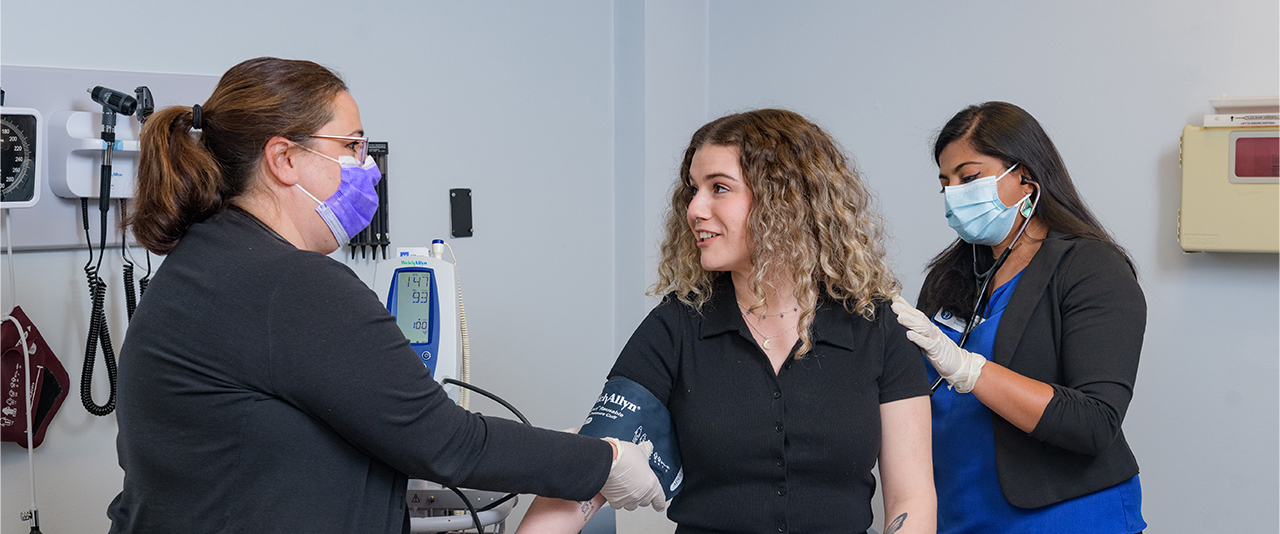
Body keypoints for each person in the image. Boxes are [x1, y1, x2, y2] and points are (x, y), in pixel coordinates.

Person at [107, 57, 664, 534]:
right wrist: (604, 460)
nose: (366, 167)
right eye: (350, 146)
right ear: (284, 159)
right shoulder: (289, 283)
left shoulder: (201, 263)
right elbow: (446, 443)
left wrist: (559, 454)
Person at [518, 109, 936, 534]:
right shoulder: (677, 324)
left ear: (787, 199)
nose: (695, 209)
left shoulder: (875, 325)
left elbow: (911, 499)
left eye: (719, 188)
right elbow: (587, 473)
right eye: (693, 190)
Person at [890, 101, 1147, 533]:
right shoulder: (949, 275)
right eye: (945, 183)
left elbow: (1094, 423)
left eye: (969, 178)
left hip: (1064, 515)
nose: (954, 194)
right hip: (958, 509)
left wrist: (971, 371)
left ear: (1026, 178)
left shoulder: (1090, 267)